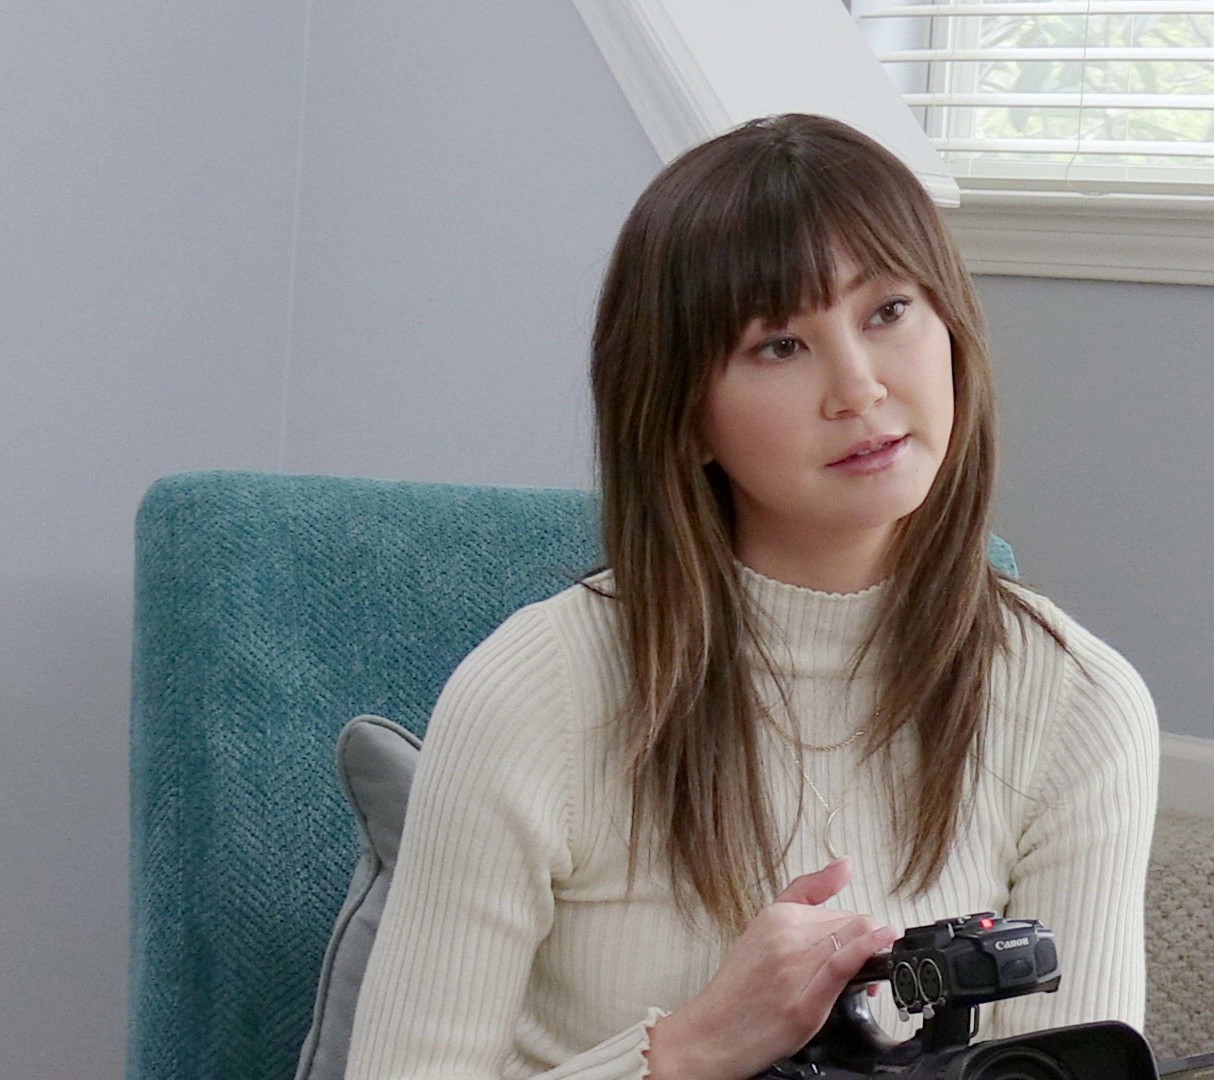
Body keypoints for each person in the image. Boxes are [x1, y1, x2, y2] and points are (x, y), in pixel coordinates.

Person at [343, 113, 1159, 1080]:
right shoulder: (533, 694)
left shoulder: (1076, 703)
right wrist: (693, 1049)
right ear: (685, 415)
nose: (858, 389)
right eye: (779, 345)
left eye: (889, 310)